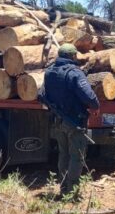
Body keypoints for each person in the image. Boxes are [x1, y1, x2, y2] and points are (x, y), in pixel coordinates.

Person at [38, 44, 100, 200]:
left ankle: (64, 188)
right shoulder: (74, 73)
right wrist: (95, 106)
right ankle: (72, 192)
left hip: (58, 120)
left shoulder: (49, 72)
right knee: (76, 157)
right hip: (74, 121)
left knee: (63, 154)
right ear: (72, 56)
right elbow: (89, 96)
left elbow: (44, 93)